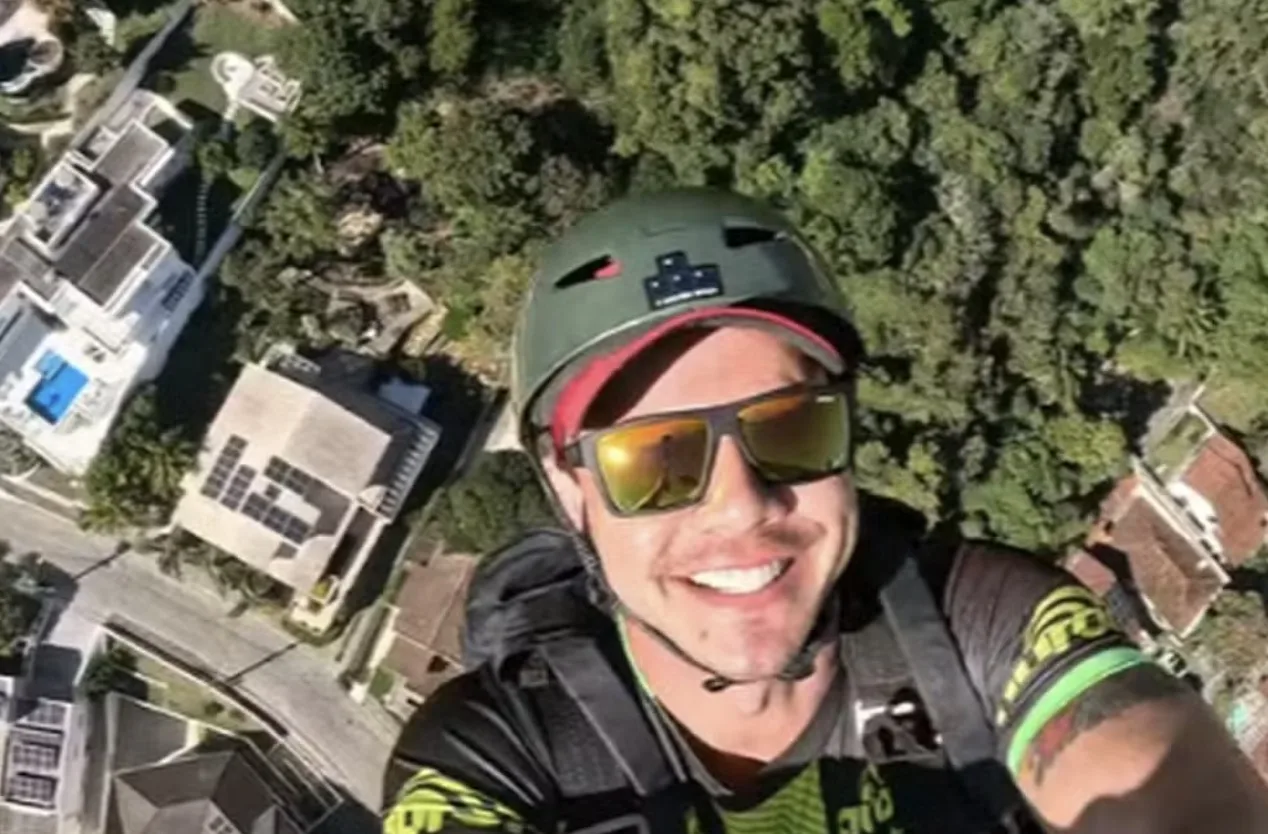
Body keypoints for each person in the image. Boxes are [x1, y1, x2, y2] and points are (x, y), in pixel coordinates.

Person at [383, 190, 1268, 834]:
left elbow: (1168, 788)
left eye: (791, 429)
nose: (740, 500)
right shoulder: (495, 762)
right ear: (571, 488)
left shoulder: (981, 628)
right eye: (655, 459)